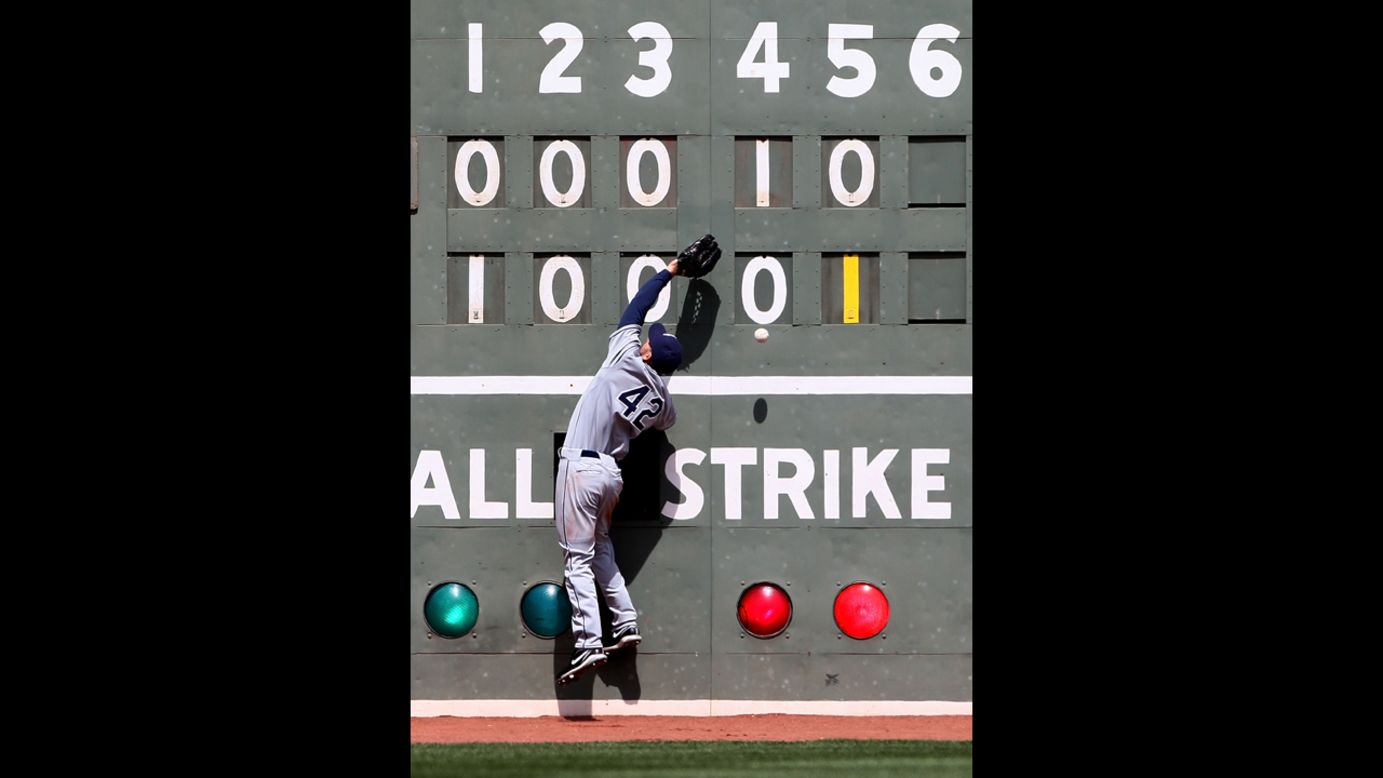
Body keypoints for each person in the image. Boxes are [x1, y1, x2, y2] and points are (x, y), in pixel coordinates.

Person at [553, 252, 690, 685]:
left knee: (577, 560)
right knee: (601, 551)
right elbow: (667, 419)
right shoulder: (662, 403)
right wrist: (661, 373)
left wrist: (669, 271)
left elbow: (636, 309)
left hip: (581, 467)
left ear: (647, 353)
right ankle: (625, 621)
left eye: (651, 342)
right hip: (612, 476)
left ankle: (590, 643)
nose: (646, 340)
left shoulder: (623, 359)